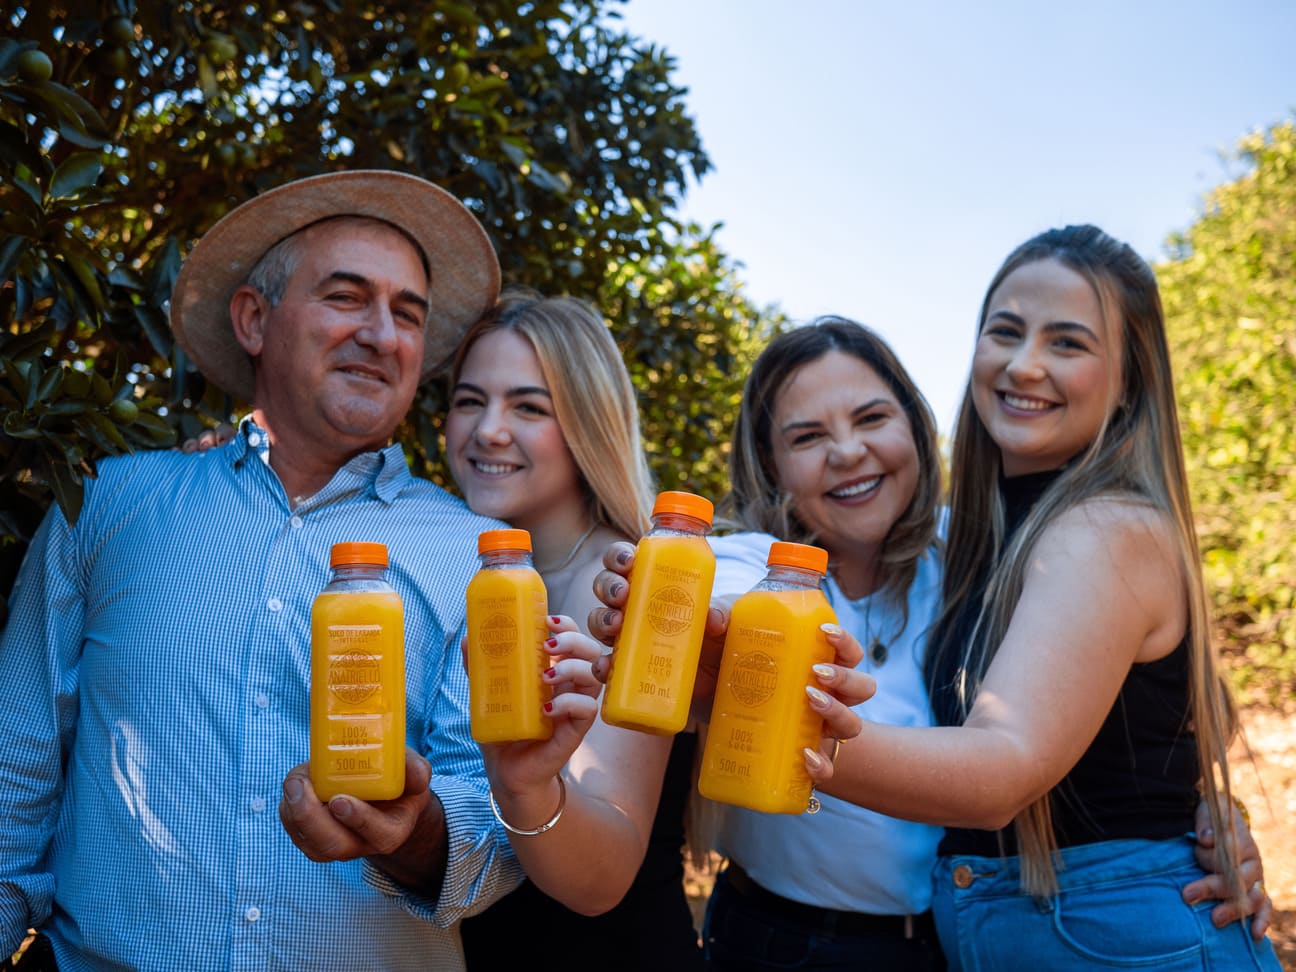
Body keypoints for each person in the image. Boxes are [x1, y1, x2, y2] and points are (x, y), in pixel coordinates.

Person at [587, 315, 1275, 971]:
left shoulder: (980, 561)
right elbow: (720, 611)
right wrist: (691, 625)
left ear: (915, 429)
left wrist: (1211, 817)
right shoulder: (750, 564)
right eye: (805, 437)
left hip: (959, 939)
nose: (848, 452)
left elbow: (1133, 704)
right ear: (773, 470)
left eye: (871, 418)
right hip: (781, 941)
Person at [0, 170, 522, 970]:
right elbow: (16, 773)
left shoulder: (476, 557)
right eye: (346, 297)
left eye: (407, 314)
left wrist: (413, 835)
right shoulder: (107, 505)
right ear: (254, 318)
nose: (383, 335)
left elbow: (499, 816)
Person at [806, 225, 1281, 969]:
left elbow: (1002, 771)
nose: (1024, 365)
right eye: (1006, 331)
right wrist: (1206, 810)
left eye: (1068, 343)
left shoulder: (1103, 528)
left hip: (1116, 940)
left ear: (1129, 380)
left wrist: (772, 719)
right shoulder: (988, 538)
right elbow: (1192, 710)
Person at [445, 289, 703, 970]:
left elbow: (603, 879)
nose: (488, 430)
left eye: (529, 407)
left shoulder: (636, 586)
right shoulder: (455, 573)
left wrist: (526, 785)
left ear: (589, 422)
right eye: (470, 401)